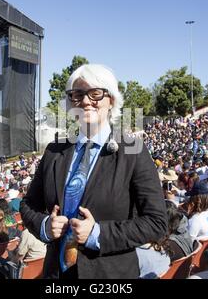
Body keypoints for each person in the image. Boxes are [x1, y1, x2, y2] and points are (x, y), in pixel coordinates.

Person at [20, 64, 168, 279]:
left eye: (96, 93)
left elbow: (156, 222)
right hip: (56, 274)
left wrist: (98, 234)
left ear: (112, 101)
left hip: (110, 275)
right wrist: (44, 226)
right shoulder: (54, 150)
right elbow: (28, 204)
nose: (86, 101)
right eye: (77, 94)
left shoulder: (133, 151)